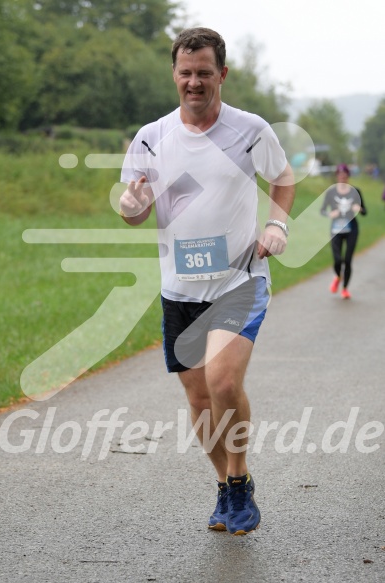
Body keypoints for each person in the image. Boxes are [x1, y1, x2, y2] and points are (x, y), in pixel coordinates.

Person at [119, 27, 295, 536]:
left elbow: (282, 178)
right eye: (185, 73)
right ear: (174, 74)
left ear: (222, 73)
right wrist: (131, 209)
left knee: (222, 383)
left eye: (203, 73)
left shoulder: (250, 130)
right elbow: (135, 207)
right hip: (180, 289)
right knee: (198, 399)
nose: (194, 82)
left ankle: (238, 479)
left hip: (239, 279)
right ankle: (227, 485)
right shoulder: (152, 136)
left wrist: (277, 225)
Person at [320, 164, 367, 299]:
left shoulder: (355, 191)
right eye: (340, 176)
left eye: (345, 177)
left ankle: (345, 288)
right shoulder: (331, 192)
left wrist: (360, 208)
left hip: (352, 229)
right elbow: (322, 210)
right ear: (337, 177)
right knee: (337, 260)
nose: (343, 179)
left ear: (348, 177)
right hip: (336, 229)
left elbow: (364, 211)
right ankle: (337, 276)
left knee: (347, 260)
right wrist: (330, 213)